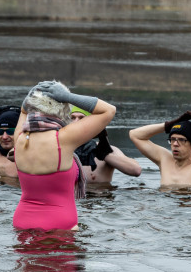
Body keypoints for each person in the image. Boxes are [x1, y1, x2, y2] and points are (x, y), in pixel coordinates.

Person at [13, 81, 116, 231]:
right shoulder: (64, 139)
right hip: (59, 224)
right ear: (63, 108)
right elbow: (109, 110)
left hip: (22, 222)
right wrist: (67, 96)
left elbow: (23, 113)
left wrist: (28, 100)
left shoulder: (21, 138)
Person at [129, 110, 191, 187]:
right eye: (172, 139)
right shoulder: (164, 160)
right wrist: (169, 125)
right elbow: (135, 135)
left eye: (181, 140)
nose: (175, 144)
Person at [69, 108, 141, 184]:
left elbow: (136, 170)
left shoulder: (109, 150)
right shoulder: (61, 149)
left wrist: (103, 153)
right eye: (73, 118)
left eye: (81, 118)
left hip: (100, 194)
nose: (76, 121)